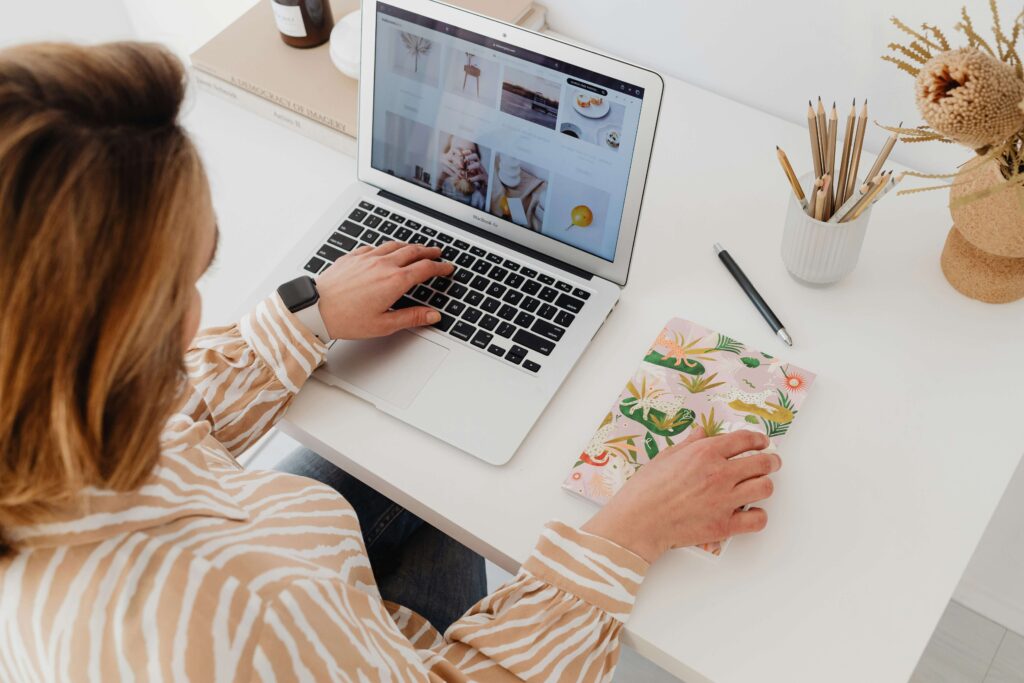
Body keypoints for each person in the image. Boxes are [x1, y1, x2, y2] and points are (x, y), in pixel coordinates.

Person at [0, 42, 780, 681]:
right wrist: (626, 533)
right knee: (481, 484)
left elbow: (177, 423)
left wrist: (306, 316)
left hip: (306, 587)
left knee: (438, 464)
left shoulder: (41, 438)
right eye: (185, 282)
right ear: (100, 339)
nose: (200, 311)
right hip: (369, 648)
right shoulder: (232, 612)